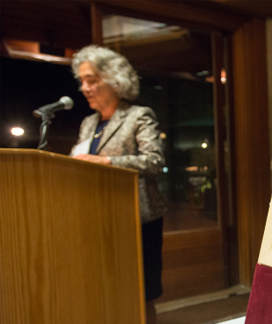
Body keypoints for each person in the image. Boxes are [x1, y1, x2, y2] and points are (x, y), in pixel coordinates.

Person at [69, 45, 166, 324]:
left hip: (137, 219)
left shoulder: (138, 116)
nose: (84, 87)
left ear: (114, 80)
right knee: (106, 289)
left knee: (141, 292)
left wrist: (107, 163)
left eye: (92, 80)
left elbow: (154, 161)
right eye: (82, 81)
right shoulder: (88, 123)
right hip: (97, 219)